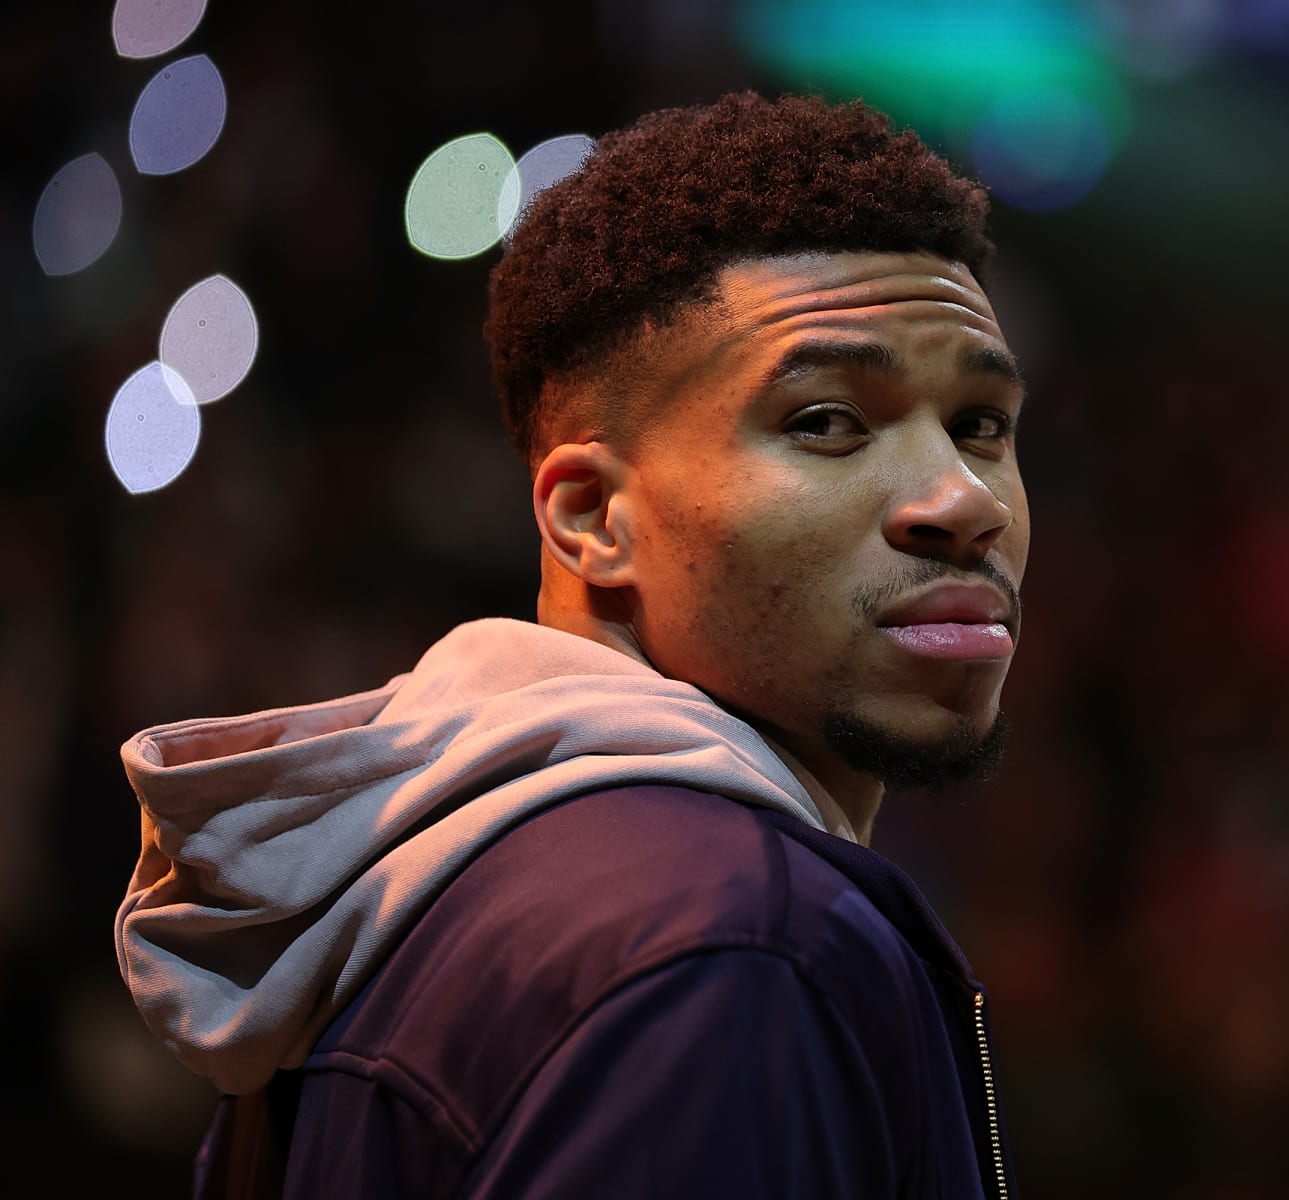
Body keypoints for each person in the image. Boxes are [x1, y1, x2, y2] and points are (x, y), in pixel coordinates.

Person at [115, 92, 1029, 1198]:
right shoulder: (733, 946)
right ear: (593, 518)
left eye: (982, 424)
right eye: (827, 421)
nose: (963, 499)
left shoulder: (423, 883)